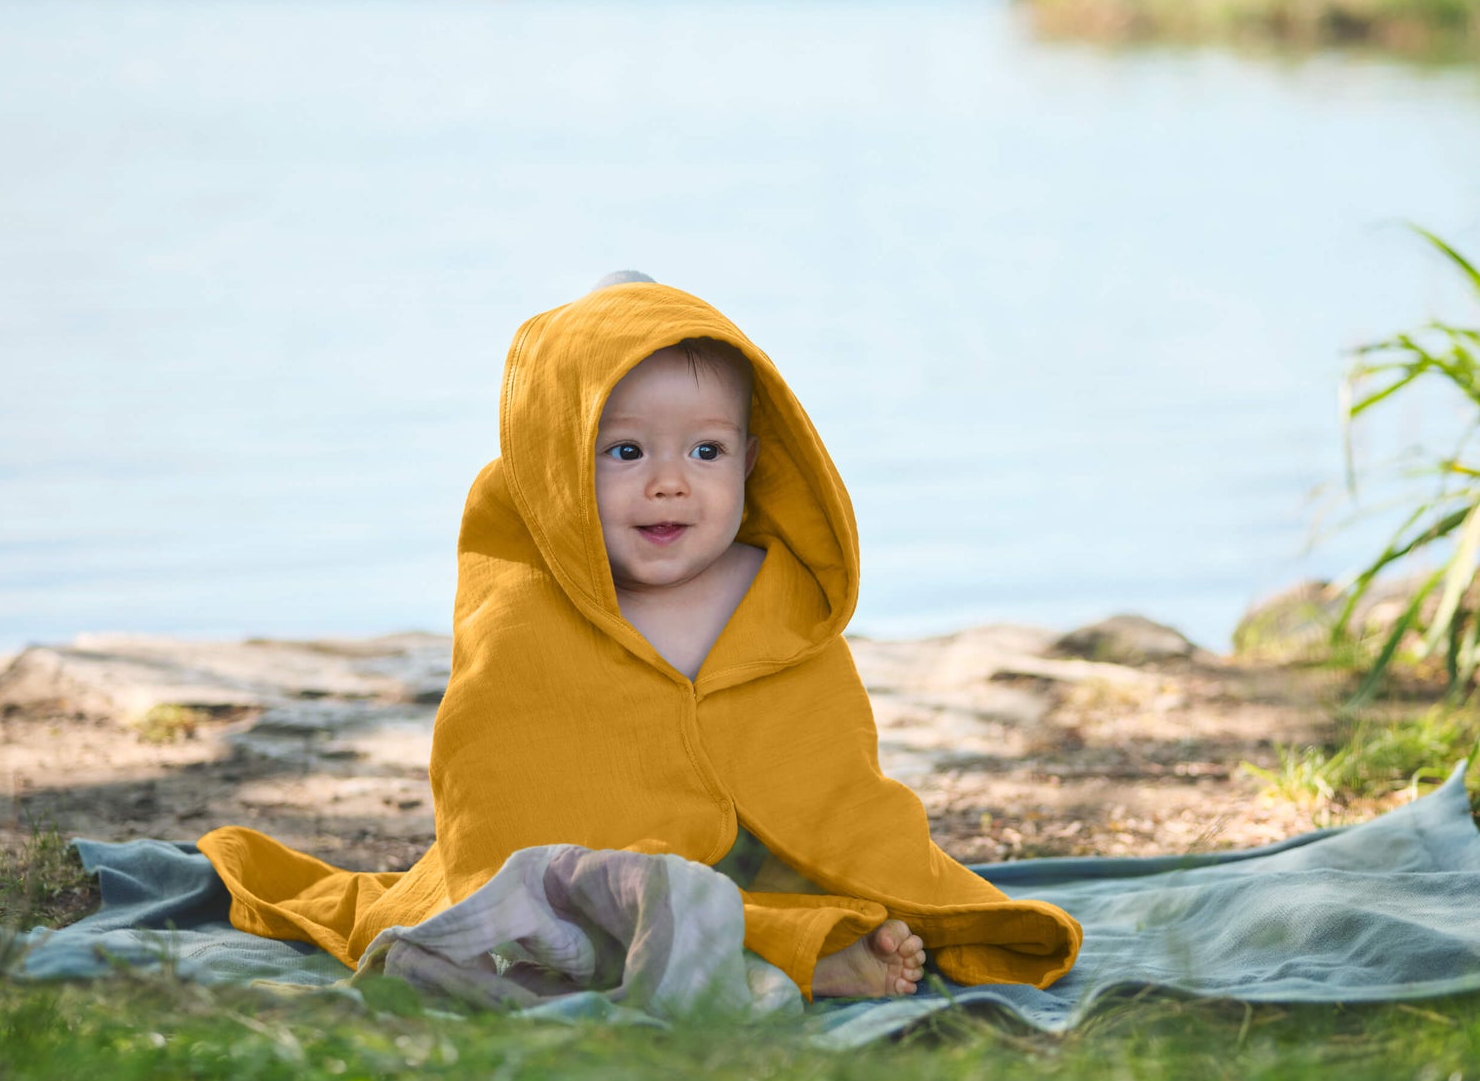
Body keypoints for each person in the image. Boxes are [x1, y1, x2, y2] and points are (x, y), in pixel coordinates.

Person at [200, 273, 1082, 1002]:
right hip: (595, 883)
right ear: (554, 467)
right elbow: (499, 793)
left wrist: (869, 861)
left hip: (761, 865)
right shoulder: (528, 606)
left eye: (705, 452)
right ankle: (801, 952)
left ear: (752, 460)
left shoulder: (774, 599)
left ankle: (803, 932)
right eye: (624, 453)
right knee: (560, 909)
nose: (669, 484)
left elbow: (836, 783)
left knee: (818, 882)